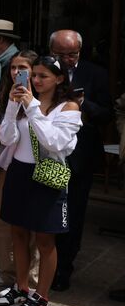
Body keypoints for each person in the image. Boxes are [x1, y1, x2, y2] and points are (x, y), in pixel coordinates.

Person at [0, 57, 81, 306]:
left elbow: (53, 142)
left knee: (45, 239)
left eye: (43, 76)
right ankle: (21, 288)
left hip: (46, 175)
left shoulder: (68, 108)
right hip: (19, 171)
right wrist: (12, 105)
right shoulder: (23, 103)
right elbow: (8, 138)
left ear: (60, 79)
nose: (36, 80)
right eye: (35, 75)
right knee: (17, 233)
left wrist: (31, 106)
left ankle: (41, 297)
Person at [49, 29, 113, 291]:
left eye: (72, 54)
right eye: (61, 55)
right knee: (46, 211)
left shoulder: (95, 73)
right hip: (49, 154)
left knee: (71, 214)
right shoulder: (43, 71)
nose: (67, 60)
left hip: (79, 158)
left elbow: (105, 114)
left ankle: (63, 269)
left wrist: (83, 103)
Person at [0, 50, 40, 289]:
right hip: (9, 165)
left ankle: (31, 279)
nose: (17, 73)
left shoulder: (44, 99)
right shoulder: (8, 95)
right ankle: (7, 272)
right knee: (4, 222)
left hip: (37, 169)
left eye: (23, 68)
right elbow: (6, 135)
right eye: (14, 68)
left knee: (34, 228)